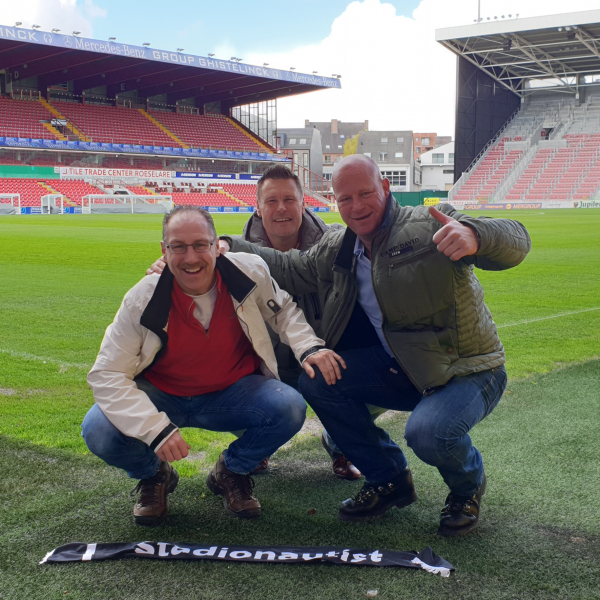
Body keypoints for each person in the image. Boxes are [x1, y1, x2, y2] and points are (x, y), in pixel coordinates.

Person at [220, 154, 531, 537]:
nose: (356, 206)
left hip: (468, 368)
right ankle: (388, 479)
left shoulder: (427, 224)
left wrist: (477, 236)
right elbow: (289, 269)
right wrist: (224, 245)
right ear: (334, 202)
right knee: (318, 380)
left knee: (426, 432)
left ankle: (467, 488)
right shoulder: (338, 245)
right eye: (345, 199)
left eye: (365, 193)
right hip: (401, 367)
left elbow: (518, 239)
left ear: (385, 188)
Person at [82, 206, 345, 526]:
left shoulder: (248, 271)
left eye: (200, 245)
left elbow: (283, 311)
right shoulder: (142, 298)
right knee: (98, 428)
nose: (191, 257)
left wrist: (309, 348)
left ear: (215, 245)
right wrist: (154, 429)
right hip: (164, 397)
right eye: (178, 246)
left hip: (233, 392)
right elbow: (107, 373)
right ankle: (153, 476)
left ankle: (231, 471)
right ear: (164, 251)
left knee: (288, 406)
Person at [147, 164, 386, 480]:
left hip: (325, 355)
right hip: (264, 366)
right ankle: (257, 445)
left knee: (379, 380)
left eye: (289, 200)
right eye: (272, 201)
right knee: (230, 388)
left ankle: (342, 442)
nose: (281, 208)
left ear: (304, 203)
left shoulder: (337, 244)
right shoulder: (224, 256)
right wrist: (172, 265)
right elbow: (191, 263)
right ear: (257, 208)